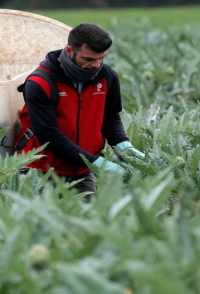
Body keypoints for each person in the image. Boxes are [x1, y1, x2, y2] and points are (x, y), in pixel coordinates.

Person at [14, 22, 144, 196]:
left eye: (101, 58)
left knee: (90, 221)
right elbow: (49, 136)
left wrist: (122, 143)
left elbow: (110, 117)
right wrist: (96, 162)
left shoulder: (108, 77)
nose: (97, 65)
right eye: (88, 59)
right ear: (69, 51)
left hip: (82, 172)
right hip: (39, 172)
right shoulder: (40, 83)